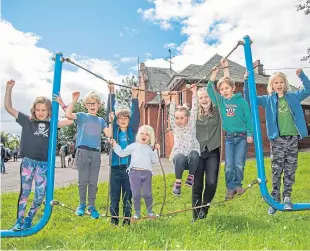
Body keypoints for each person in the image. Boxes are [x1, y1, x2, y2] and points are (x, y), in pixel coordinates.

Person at [4, 79, 73, 230]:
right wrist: (8, 89)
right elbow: (8, 108)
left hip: (43, 164)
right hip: (28, 162)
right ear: (34, 110)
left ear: (49, 111)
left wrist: (62, 103)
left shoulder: (53, 123)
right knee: (25, 192)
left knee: (40, 194)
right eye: (38, 109)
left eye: (44, 110)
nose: (41, 112)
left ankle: (30, 217)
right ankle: (19, 221)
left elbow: (70, 120)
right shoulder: (27, 121)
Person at [244, 69, 310, 214]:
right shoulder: (268, 99)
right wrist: (246, 82)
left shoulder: (293, 97)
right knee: (276, 169)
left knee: (290, 168)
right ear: (272, 85)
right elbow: (250, 99)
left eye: (281, 82)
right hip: (277, 139)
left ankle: (287, 196)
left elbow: (308, 89)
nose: (279, 85)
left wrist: (301, 75)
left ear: (285, 83)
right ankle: (275, 199)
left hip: (292, 138)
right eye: (276, 83)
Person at [207, 61, 253, 201]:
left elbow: (248, 118)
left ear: (233, 88)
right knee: (229, 166)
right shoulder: (221, 102)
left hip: (242, 137)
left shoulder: (242, 102)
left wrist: (250, 133)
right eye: (221, 89)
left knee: (239, 164)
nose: (224, 91)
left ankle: (238, 185)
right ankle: (230, 188)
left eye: (227, 88)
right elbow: (209, 89)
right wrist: (214, 74)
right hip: (229, 138)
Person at [191, 59, 230, 221]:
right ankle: (195, 215)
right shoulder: (194, 114)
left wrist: (221, 71)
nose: (204, 99)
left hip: (213, 151)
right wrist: (194, 94)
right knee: (197, 185)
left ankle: (204, 208)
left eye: (206, 97)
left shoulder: (218, 111)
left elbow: (224, 92)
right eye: (201, 98)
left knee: (212, 183)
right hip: (198, 153)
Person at [66, 91, 111, 219]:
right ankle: (81, 205)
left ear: (99, 105)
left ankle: (91, 206)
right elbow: (68, 114)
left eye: (95, 103)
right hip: (83, 151)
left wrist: (111, 121)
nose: (92, 105)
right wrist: (74, 100)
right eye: (90, 103)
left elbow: (108, 134)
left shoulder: (101, 120)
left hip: (96, 153)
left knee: (93, 182)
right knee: (83, 180)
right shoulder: (82, 116)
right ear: (86, 105)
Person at [106, 83, 140, 226]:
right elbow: (109, 112)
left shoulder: (132, 130)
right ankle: (114, 222)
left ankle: (126, 221)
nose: (123, 119)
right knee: (114, 197)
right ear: (117, 120)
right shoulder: (114, 130)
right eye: (120, 118)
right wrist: (111, 93)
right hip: (115, 168)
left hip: (128, 169)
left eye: (126, 117)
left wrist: (134, 97)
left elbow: (136, 115)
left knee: (127, 196)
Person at [110, 125, 160, 221]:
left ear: (150, 138)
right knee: (136, 194)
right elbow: (122, 153)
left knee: (147, 194)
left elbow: (155, 160)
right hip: (134, 173)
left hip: (147, 174)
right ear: (138, 135)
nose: (144, 136)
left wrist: (157, 150)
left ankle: (150, 211)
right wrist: (115, 145)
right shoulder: (134, 146)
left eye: (147, 134)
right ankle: (137, 213)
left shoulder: (150, 149)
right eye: (142, 133)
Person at [163, 85, 200, 195]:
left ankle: (191, 176)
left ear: (187, 118)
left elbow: (195, 109)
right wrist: (173, 99)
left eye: (181, 118)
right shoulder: (175, 127)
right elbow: (171, 113)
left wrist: (194, 92)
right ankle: (178, 183)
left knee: (194, 153)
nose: (179, 120)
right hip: (179, 161)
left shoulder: (191, 124)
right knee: (179, 156)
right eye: (177, 118)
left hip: (191, 161)